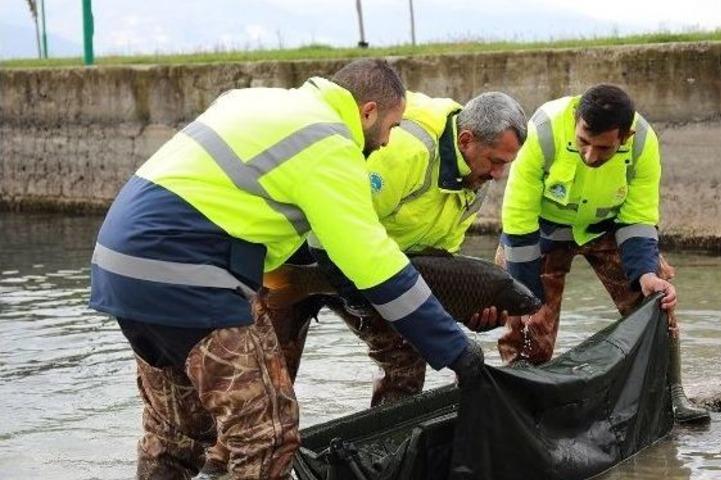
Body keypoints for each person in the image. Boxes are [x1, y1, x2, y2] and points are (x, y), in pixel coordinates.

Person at [89, 59, 484, 480]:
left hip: (118, 264)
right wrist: (457, 352)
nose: (388, 141)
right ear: (367, 111)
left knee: (177, 435)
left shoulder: (257, 101)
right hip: (188, 270)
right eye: (391, 126)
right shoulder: (329, 142)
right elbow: (375, 263)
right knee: (268, 436)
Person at [259, 90, 527, 407]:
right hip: (306, 254)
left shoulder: (475, 185)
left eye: (505, 165)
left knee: (407, 363)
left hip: (375, 272)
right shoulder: (405, 151)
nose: (498, 176)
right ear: (466, 140)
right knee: (266, 381)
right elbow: (331, 223)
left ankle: (384, 445)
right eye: (495, 162)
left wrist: (465, 312)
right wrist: (353, 291)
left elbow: (438, 266)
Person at [497, 84, 710, 423]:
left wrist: (646, 272)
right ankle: (522, 404)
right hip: (542, 233)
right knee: (528, 322)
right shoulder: (543, 131)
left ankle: (672, 393)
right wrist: (526, 294)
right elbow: (518, 218)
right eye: (583, 142)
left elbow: (639, 217)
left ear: (624, 137)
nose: (590, 156)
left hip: (607, 228)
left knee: (656, 300)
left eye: (603, 148)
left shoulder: (643, 143)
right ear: (576, 121)